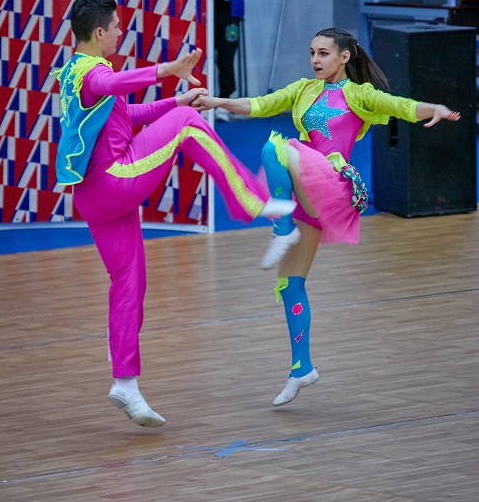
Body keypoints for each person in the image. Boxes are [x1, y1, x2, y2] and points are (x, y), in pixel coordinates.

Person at [54, 0, 294, 428]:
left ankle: (125, 384)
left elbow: (128, 113)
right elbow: (111, 86)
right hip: (114, 180)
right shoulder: (93, 71)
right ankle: (253, 203)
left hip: (93, 197)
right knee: (188, 127)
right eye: (117, 26)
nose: (121, 31)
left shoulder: (71, 70)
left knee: (129, 281)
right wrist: (167, 70)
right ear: (99, 32)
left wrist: (176, 101)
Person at [192, 26, 461, 407]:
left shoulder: (359, 94)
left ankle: (282, 227)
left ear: (344, 57)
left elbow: (399, 105)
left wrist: (433, 109)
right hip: (305, 191)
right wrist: (216, 101)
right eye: (312, 53)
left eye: (323, 53)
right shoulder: (304, 89)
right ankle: (301, 368)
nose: (315, 60)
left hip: (331, 182)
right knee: (289, 285)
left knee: (277, 148)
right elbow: (260, 105)